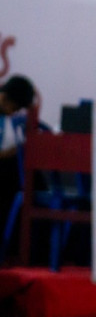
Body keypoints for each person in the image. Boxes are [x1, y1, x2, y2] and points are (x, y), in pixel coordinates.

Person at [0, 75, 37, 226]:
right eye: (14, 108)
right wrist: (16, 151)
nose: (13, 113)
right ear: (4, 98)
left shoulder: (10, 120)